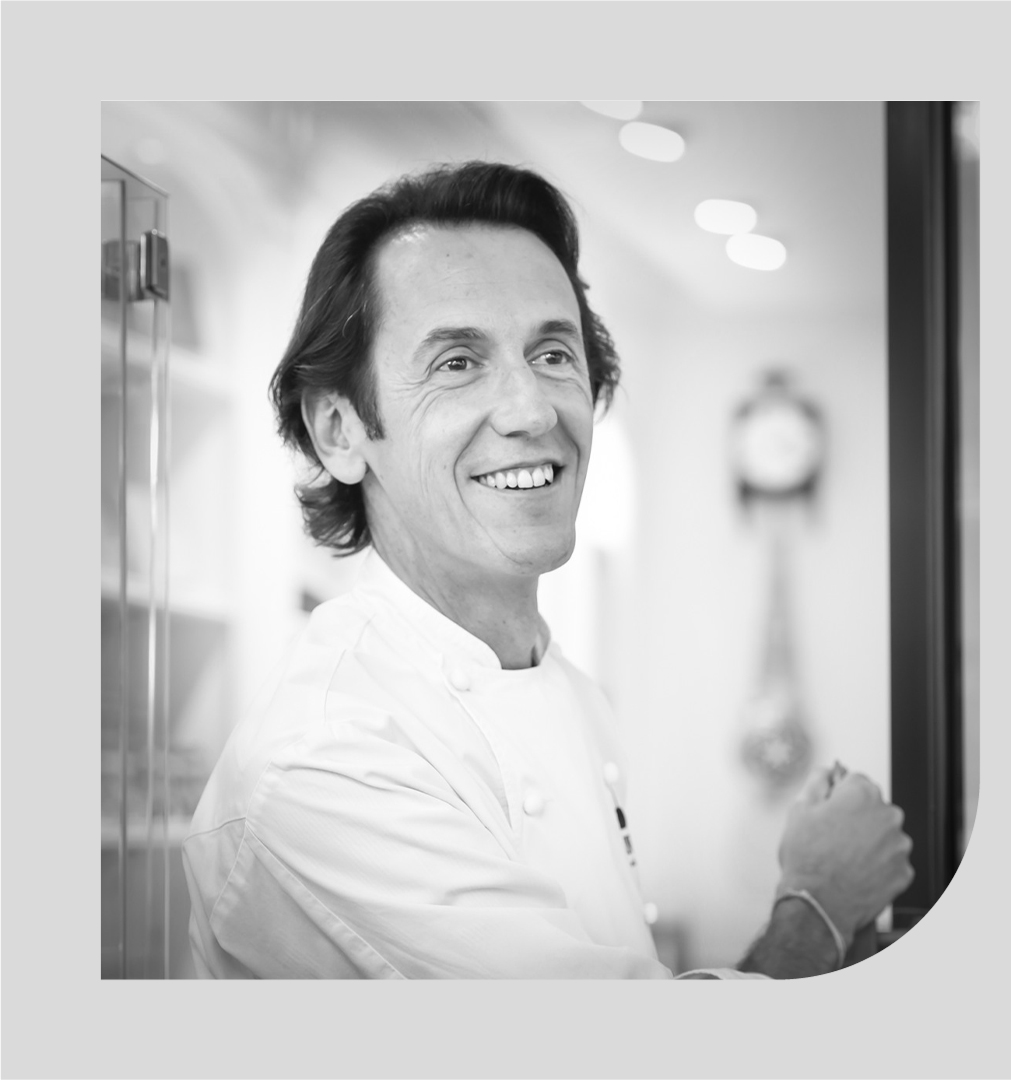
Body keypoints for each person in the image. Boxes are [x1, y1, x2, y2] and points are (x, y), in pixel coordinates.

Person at [183, 161, 913, 979]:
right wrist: (818, 903)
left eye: (554, 353)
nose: (532, 410)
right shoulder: (325, 760)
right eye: (457, 363)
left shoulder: (570, 692)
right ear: (339, 431)